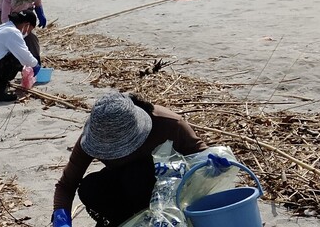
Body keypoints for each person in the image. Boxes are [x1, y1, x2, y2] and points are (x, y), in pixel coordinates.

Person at [51, 92, 209, 227]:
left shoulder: (168, 124)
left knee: (136, 175)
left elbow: (202, 155)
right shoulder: (96, 135)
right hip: (125, 192)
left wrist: (214, 163)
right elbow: (66, 185)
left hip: (167, 190)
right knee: (90, 187)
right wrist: (61, 216)